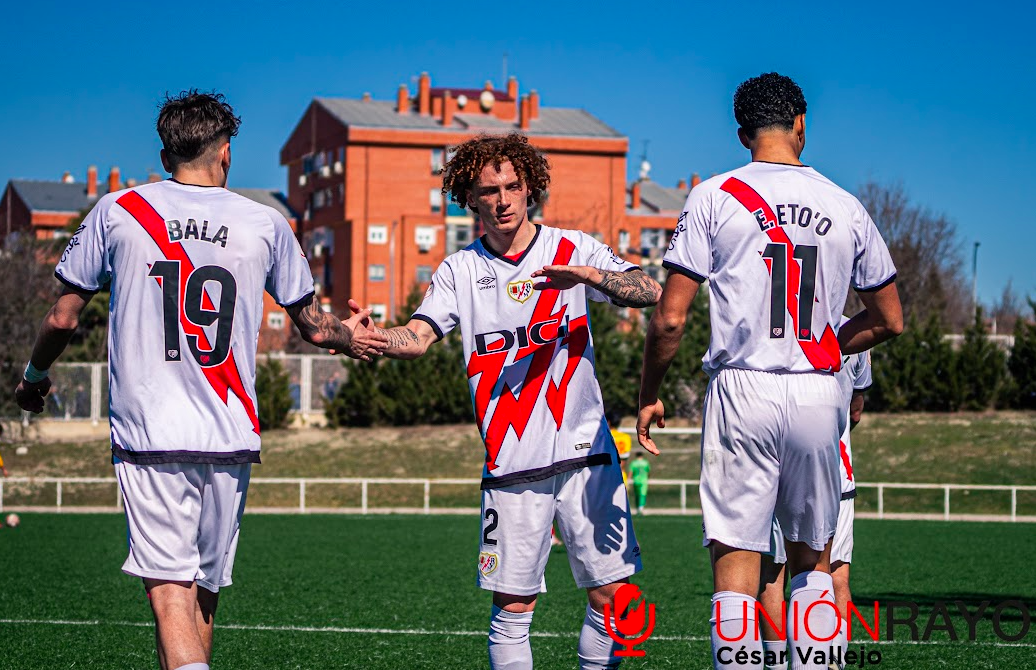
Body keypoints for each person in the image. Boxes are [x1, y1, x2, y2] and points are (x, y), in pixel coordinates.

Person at [14, 90, 386, 670]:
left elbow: (63, 318)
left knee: (170, 598)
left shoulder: (118, 211)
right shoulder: (266, 222)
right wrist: (353, 337)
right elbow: (315, 327)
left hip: (153, 434)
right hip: (230, 434)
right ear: (226, 152)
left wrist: (34, 377)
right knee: (203, 597)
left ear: (166, 155)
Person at [351, 132, 662, 670]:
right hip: (512, 463)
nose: (503, 200)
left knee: (614, 598)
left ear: (530, 187)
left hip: (586, 453)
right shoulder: (459, 271)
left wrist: (587, 275)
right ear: (470, 199)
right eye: (488, 191)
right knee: (514, 608)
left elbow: (650, 291)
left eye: (513, 186)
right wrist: (374, 337)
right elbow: (418, 337)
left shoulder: (572, 248)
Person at [637, 73, 903, 670]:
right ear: (801, 125)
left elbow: (670, 319)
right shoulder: (845, 204)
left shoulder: (712, 196)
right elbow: (890, 319)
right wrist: (826, 347)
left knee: (737, 570)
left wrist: (650, 393)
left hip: (741, 390)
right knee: (814, 567)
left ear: (742, 134)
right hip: (817, 392)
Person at [759, 340, 873, 670]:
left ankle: (777, 664)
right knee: (836, 575)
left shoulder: (776, 323)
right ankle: (832, 661)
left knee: (772, 577)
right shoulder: (858, 334)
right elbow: (855, 410)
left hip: (776, 464)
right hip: (835, 470)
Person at [606, 410, 632, 486]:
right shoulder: (626, 437)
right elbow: (624, 458)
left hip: (605, 476)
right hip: (621, 477)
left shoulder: (602, 436)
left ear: (608, 422)